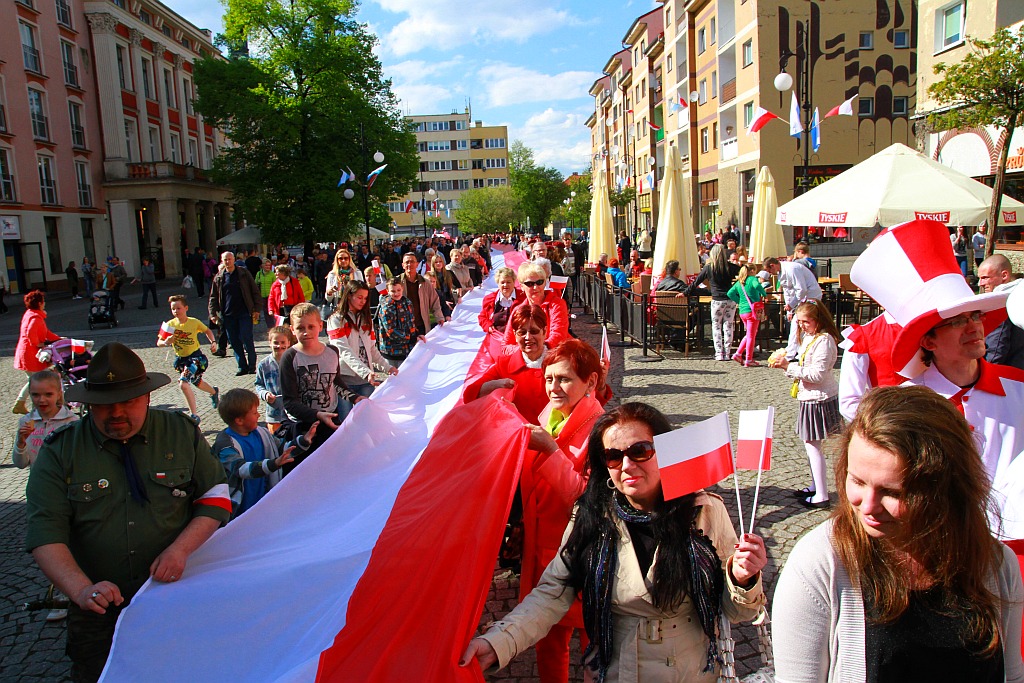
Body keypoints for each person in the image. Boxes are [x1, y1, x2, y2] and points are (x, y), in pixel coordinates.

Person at [461, 401, 767, 682]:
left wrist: (742, 578)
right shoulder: (593, 515)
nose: (627, 465)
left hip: (691, 671)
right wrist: (498, 642)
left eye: (640, 451)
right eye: (613, 456)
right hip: (616, 669)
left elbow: (739, 611)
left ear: (664, 451)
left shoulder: (703, 511)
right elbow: (554, 592)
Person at [773, 386, 1024, 682]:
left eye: (893, 492)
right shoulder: (818, 565)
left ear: (945, 489)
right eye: (857, 481)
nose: (867, 506)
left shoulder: (995, 564)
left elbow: (1012, 675)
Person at [25, 342, 230, 682]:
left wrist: (179, 551)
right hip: (97, 611)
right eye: (104, 405)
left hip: (176, 598)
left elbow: (216, 496)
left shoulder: (180, 432)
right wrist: (80, 589)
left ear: (147, 396)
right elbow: (45, 532)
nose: (116, 412)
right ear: (88, 403)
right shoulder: (60, 451)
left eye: (128, 401)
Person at [851, 218, 1024, 537]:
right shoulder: (904, 406)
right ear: (927, 340)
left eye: (976, 315)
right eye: (958, 321)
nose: (974, 326)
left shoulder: (1018, 388)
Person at [770, 299, 843, 508]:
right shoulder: (811, 337)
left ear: (817, 320)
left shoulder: (825, 341)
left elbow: (817, 374)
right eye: (799, 322)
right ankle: (815, 485)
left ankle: (821, 494)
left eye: (806, 322)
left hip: (819, 397)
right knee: (810, 445)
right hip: (809, 396)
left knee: (813, 445)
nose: (802, 325)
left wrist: (788, 367)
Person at [213, 388, 315, 519]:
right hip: (239, 510)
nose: (258, 416)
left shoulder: (262, 433)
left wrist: (304, 441)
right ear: (239, 420)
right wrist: (274, 464)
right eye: (254, 412)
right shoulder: (225, 444)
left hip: (264, 503)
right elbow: (241, 469)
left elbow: (282, 449)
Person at [279, 303, 361, 463]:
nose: (306, 332)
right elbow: (289, 401)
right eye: (300, 328)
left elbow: (335, 381)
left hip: (329, 419)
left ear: (320, 326)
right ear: (292, 330)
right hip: (302, 424)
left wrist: (354, 398)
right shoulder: (289, 357)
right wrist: (316, 415)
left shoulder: (332, 352)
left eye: (311, 326)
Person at [464, 304, 550, 424]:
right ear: (514, 335)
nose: (528, 337)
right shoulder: (503, 365)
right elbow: (470, 394)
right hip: (517, 437)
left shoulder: (561, 362)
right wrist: (494, 385)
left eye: (534, 331)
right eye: (522, 332)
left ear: (544, 331)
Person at [326, 280, 398, 402]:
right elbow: (344, 351)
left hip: (366, 380)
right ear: (349, 295)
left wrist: (388, 368)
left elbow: (372, 349)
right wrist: (365, 372)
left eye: (365, 298)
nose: (363, 301)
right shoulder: (335, 319)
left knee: (366, 418)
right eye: (359, 297)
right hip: (345, 380)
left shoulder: (366, 318)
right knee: (346, 420)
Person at [157, 295, 219, 423]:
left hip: (196, 357)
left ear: (186, 308)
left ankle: (194, 415)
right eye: (173, 309)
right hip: (181, 360)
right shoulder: (170, 325)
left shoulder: (194, 322)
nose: (176, 311)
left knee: (183, 383)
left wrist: (213, 342)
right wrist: (166, 342)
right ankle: (213, 392)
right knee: (197, 382)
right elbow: (159, 342)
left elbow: (208, 330)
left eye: (178, 308)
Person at [209, 250, 261, 376]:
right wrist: (213, 314)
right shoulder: (219, 277)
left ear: (234, 260)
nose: (228, 261)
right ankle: (242, 366)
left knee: (246, 338)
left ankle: (252, 365)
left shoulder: (243, 273)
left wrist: (257, 309)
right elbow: (213, 297)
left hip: (244, 312)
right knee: (234, 341)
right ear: (222, 261)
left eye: (230, 259)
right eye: (225, 259)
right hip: (228, 314)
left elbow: (254, 291)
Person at [13, 370, 78, 469]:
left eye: (48, 394)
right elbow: (21, 464)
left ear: (59, 394)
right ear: (30, 394)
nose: (42, 400)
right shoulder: (26, 422)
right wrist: (21, 443)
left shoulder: (71, 422)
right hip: (38, 481)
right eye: (36, 395)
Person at [686, 244, 741, 361]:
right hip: (730, 299)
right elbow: (743, 273)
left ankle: (719, 353)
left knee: (716, 326)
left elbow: (696, 282)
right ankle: (727, 352)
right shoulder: (731, 267)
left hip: (717, 300)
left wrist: (685, 292)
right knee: (728, 325)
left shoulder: (709, 268)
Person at [763, 255, 823, 361]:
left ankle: (795, 353)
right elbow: (787, 291)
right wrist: (790, 309)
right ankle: (795, 352)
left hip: (810, 296)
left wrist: (792, 305)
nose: (770, 274)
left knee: (800, 325)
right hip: (800, 300)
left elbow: (801, 289)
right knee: (797, 325)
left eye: (769, 271)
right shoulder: (781, 272)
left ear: (772, 265)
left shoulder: (792, 269)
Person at [13, 290, 61, 415]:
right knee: (40, 379)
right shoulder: (35, 317)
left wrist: (58, 339)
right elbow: (31, 333)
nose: (44, 304)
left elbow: (45, 332)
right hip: (31, 355)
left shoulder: (31, 314)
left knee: (32, 380)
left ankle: (20, 403)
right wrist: (38, 344)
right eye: (43, 301)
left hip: (26, 353)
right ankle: (39, 407)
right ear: (40, 303)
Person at [503, 262, 569, 349]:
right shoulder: (518, 310)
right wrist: (524, 351)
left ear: (545, 283)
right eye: (529, 284)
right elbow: (506, 345)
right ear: (521, 286)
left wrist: (537, 350)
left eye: (539, 282)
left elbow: (559, 335)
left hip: (553, 356)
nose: (535, 287)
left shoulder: (557, 304)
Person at [978, 254, 1024, 370]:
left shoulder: (1001, 303)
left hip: (1012, 375)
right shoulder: (1019, 294)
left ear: (1004, 275)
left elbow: (996, 349)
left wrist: (985, 374)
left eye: (985, 277)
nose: (980, 283)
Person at [255, 325, 295, 435]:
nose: (279, 346)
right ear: (270, 342)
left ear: (288, 343)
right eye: (276, 342)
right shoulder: (263, 365)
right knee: (277, 441)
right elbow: (259, 384)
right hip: (274, 413)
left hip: (293, 411)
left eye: (283, 342)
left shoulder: (294, 361)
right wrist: (265, 394)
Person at [727, 264, 767, 367]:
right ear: (752, 271)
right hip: (752, 311)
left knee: (749, 334)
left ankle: (738, 354)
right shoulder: (752, 279)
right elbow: (757, 286)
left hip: (742, 311)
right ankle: (749, 359)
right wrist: (764, 294)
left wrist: (739, 301)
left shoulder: (739, 282)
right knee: (751, 336)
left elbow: (730, 293)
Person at [376, 277, 420, 367]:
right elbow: (391, 331)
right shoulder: (386, 307)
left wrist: (415, 334)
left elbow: (411, 322)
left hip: (407, 350)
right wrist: (410, 338)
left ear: (402, 289)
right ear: (387, 291)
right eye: (393, 291)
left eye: (398, 290)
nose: (396, 293)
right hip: (392, 351)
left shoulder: (407, 303)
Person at [400, 253, 447, 336]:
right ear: (403, 265)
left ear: (417, 264)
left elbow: (435, 301)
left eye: (412, 262)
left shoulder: (425, 282)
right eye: (407, 262)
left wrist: (439, 317)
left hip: (421, 324)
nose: (409, 264)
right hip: (403, 326)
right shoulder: (397, 282)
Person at [478, 267, 523, 340]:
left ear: (514, 282)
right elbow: (482, 317)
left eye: (508, 282)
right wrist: (488, 327)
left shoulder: (523, 298)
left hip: (518, 340)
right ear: (498, 283)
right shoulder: (489, 299)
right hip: (497, 339)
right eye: (502, 282)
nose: (505, 285)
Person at [254, 259, 277, 330]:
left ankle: (273, 326)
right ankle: (270, 327)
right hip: (262, 296)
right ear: (262, 266)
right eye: (266, 265)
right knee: (265, 312)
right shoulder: (259, 274)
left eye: (269, 265)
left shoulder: (272, 274)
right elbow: (255, 283)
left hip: (271, 296)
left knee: (270, 311)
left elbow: (275, 285)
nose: (267, 267)